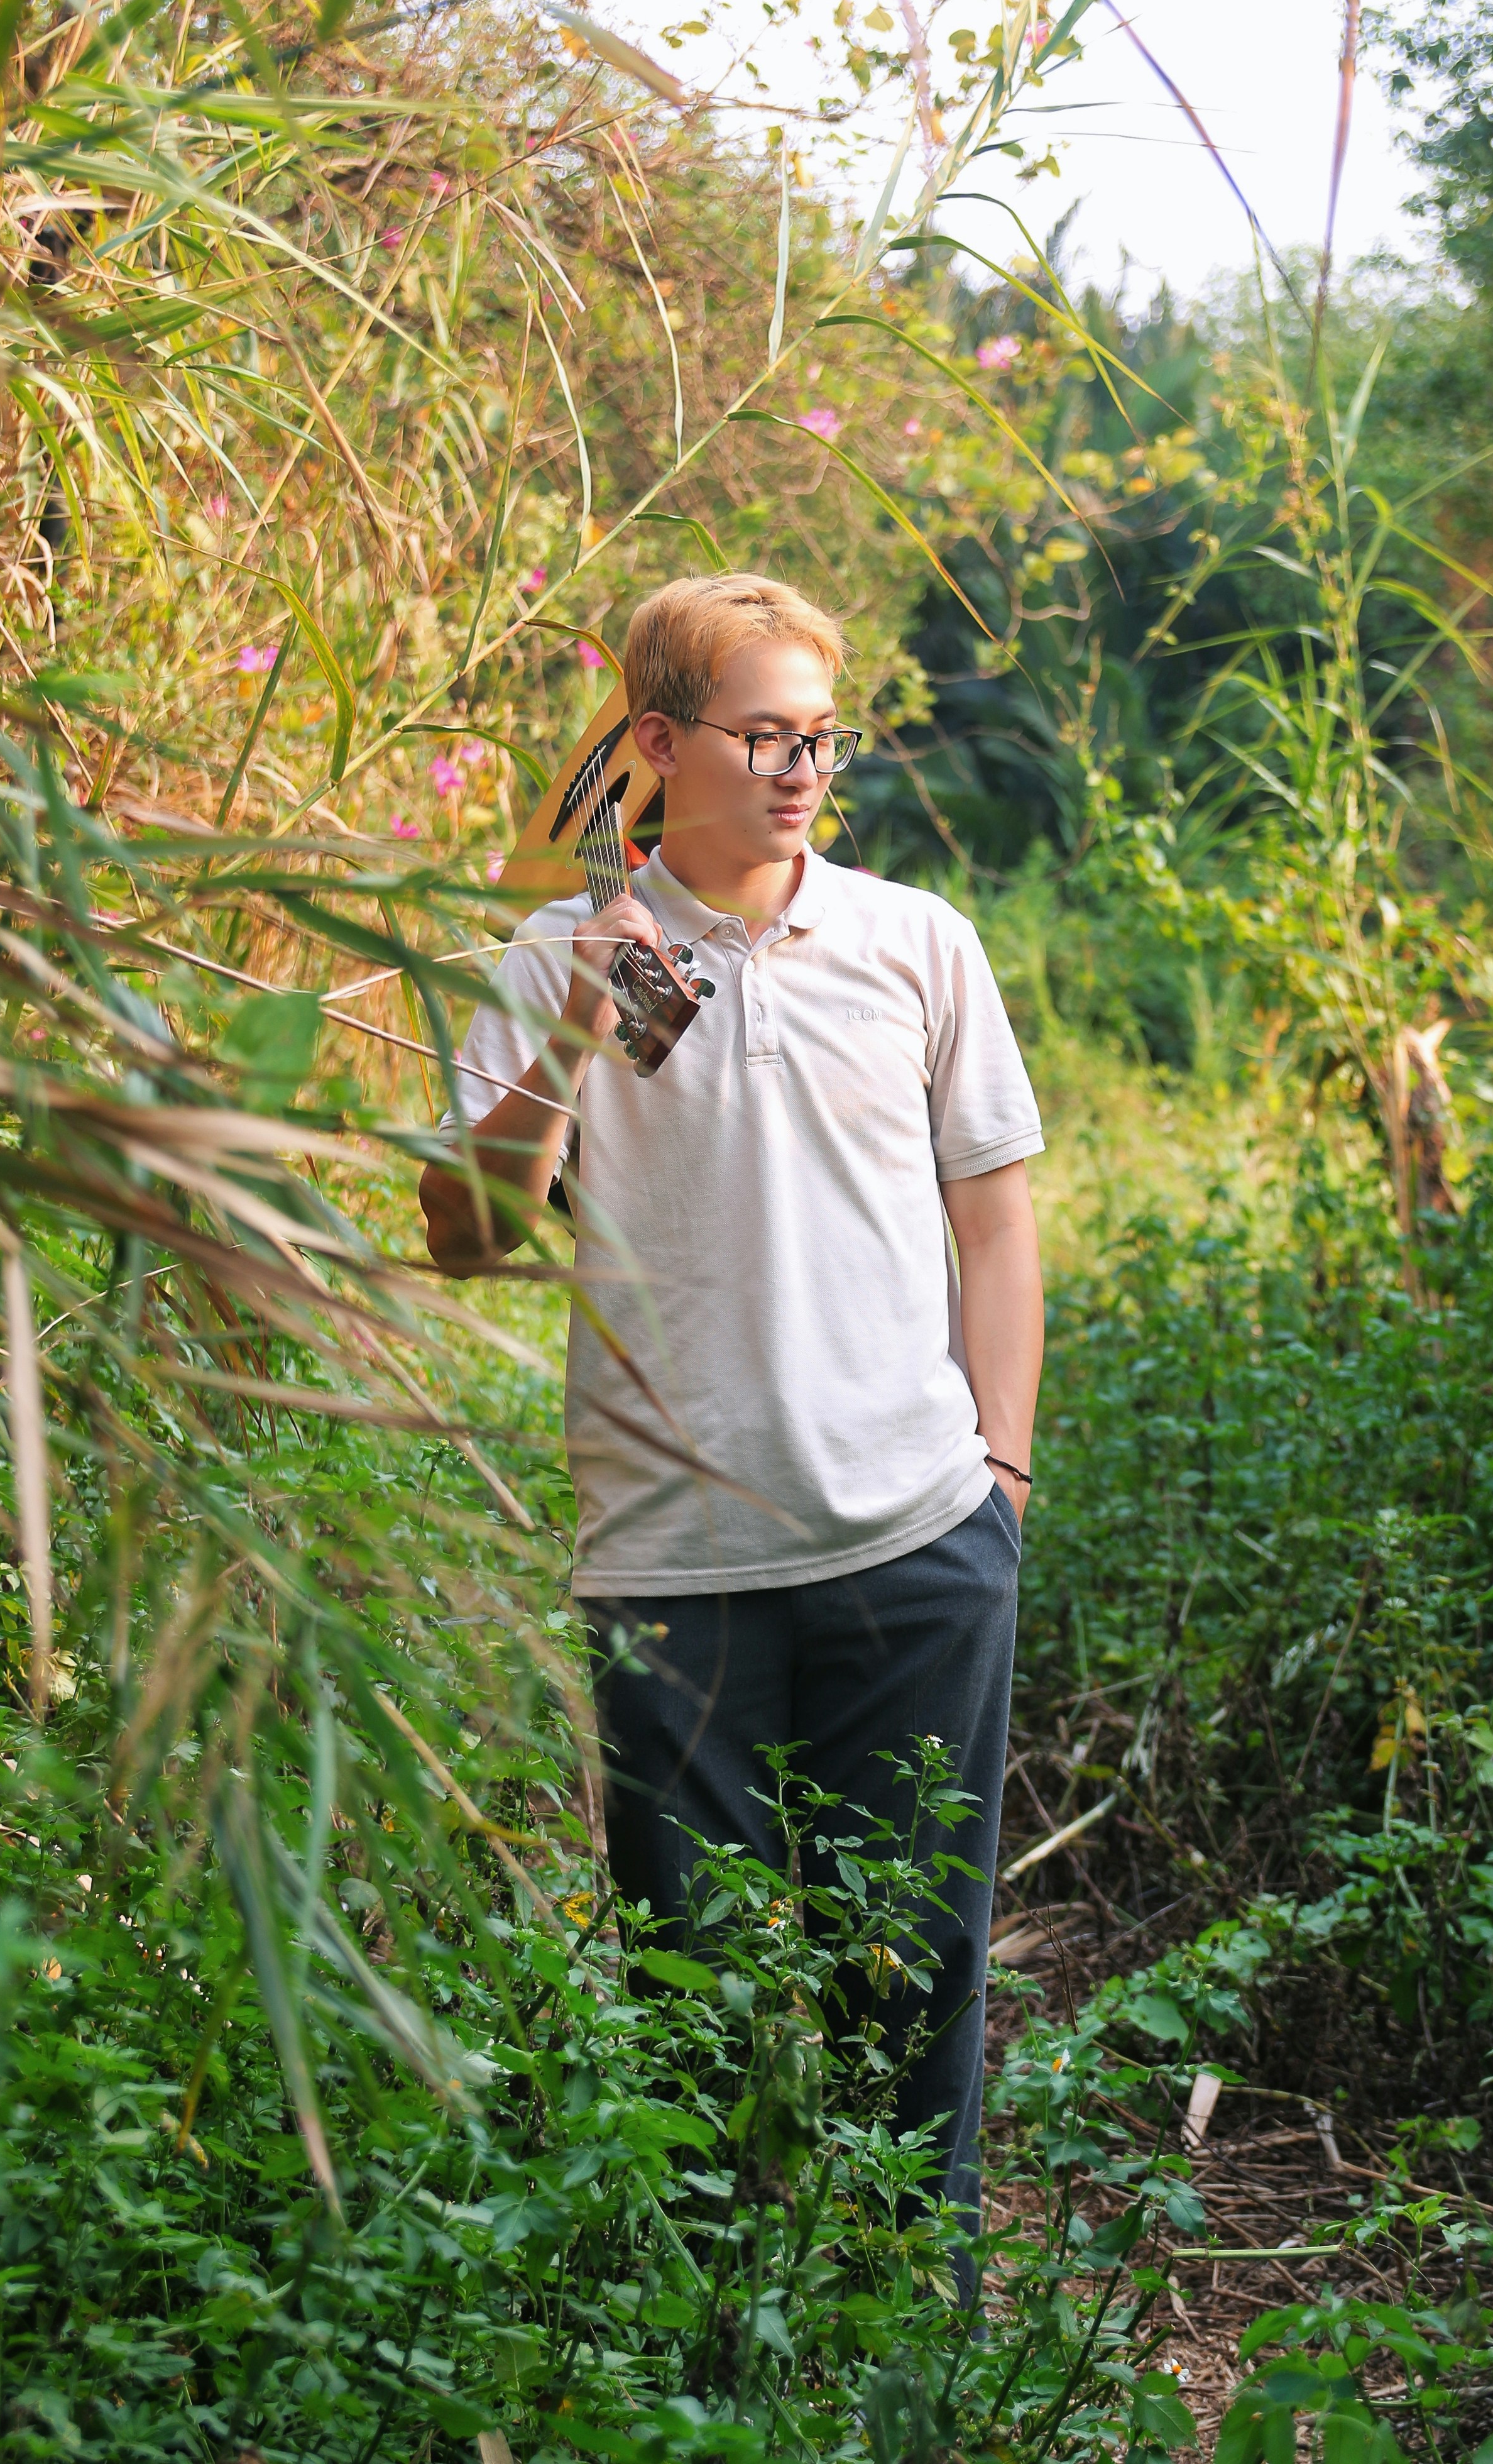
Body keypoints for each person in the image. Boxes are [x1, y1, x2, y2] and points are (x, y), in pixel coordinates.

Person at [421, 573, 1044, 2256]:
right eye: (762, 735)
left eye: (819, 739)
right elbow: (471, 1236)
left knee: (911, 1980)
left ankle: (921, 2340)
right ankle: (710, 2370)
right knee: (688, 1995)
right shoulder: (550, 955)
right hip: (668, 1558)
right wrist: (571, 1010)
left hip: (911, 1536)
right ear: (654, 741)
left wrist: (1000, 1474)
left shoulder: (916, 942)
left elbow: (994, 1218)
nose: (798, 771)